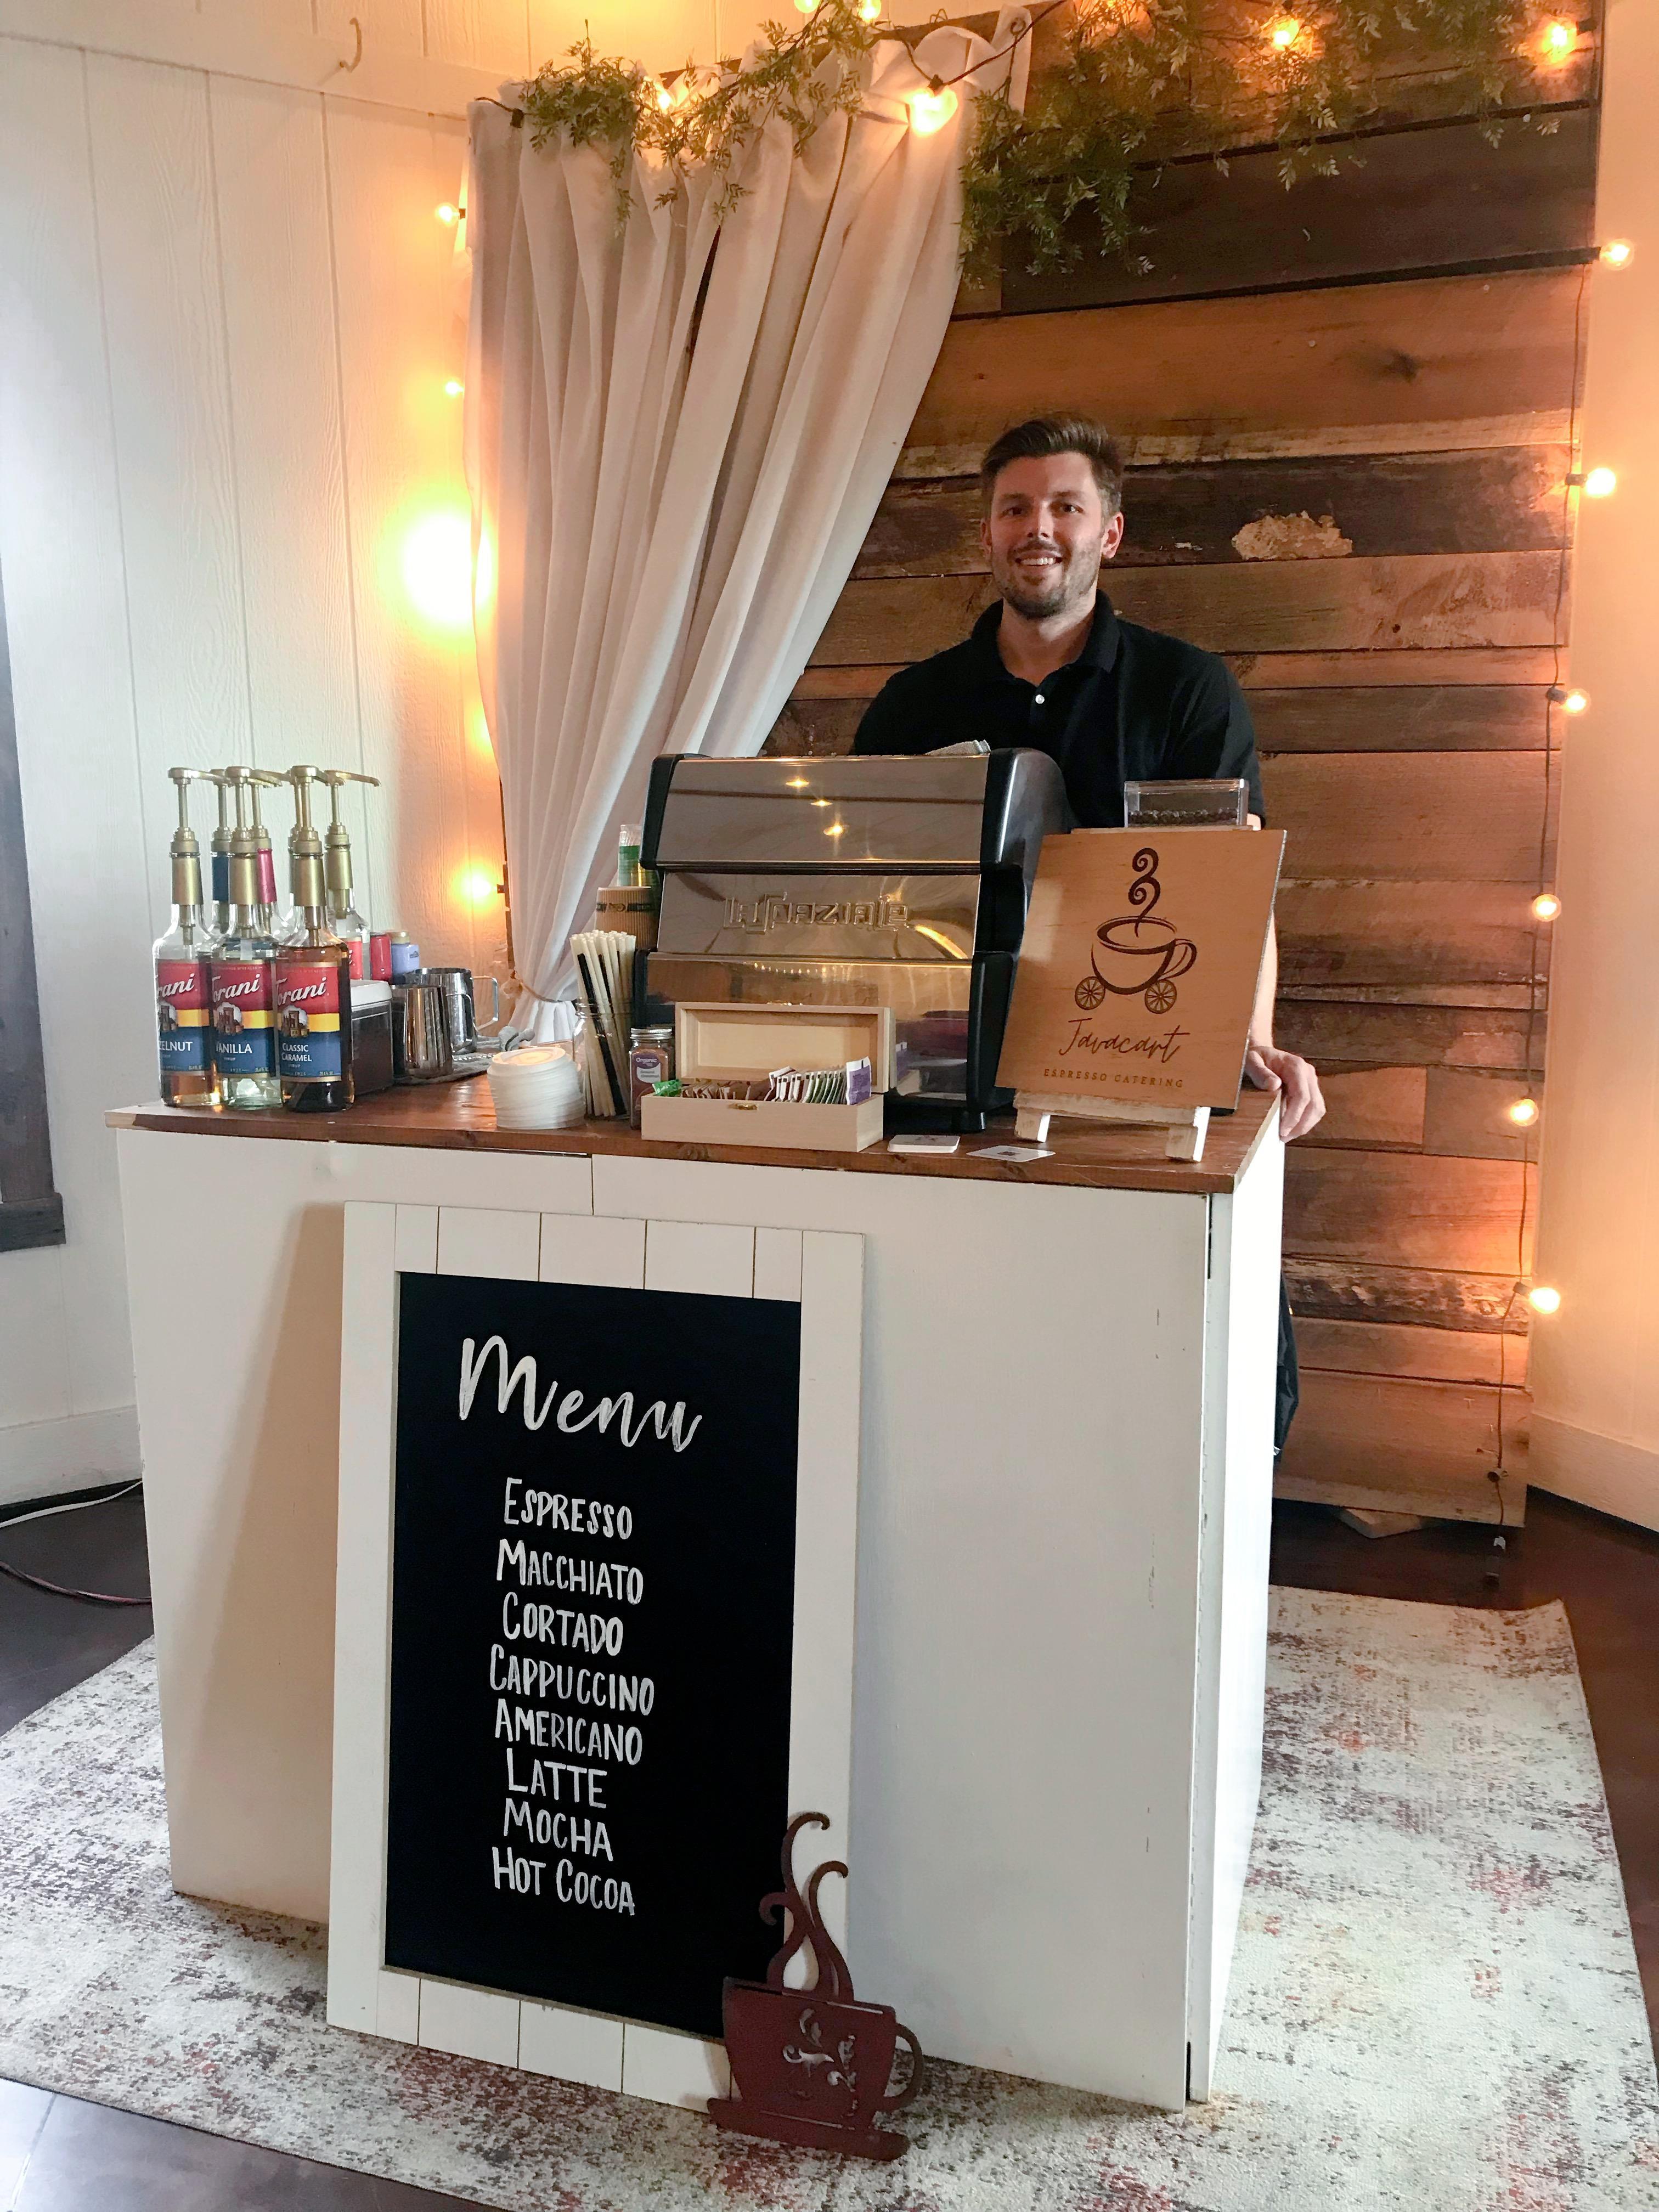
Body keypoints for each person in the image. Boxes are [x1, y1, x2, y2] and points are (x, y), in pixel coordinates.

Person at [853, 414, 1324, 1451]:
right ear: (988, 533)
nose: (1040, 528)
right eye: (1016, 508)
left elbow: (1237, 889)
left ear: (1108, 532)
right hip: (952, 1075)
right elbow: (867, 902)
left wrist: (1248, 1040)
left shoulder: (1186, 690)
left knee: (1187, 1367)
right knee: (969, 1361)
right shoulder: (913, 705)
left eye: (1066, 506)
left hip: (1140, 1062)